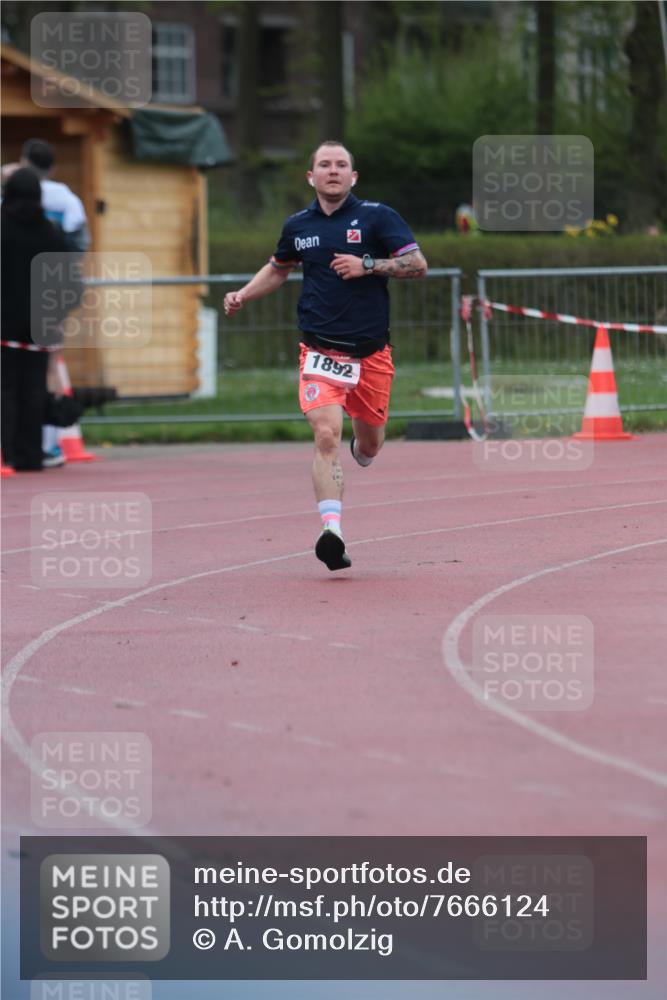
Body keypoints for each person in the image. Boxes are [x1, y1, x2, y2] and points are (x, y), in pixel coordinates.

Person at [224, 140, 427, 571]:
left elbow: (417, 264)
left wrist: (367, 265)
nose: (332, 171)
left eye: (341, 165)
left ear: (353, 177)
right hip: (319, 350)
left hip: (371, 354)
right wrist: (243, 294)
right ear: (311, 177)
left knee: (368, 444)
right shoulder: (298, 225)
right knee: (325, 435)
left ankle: (364, 446)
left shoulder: (377, 216)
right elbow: (278, 268)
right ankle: (331, 532)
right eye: (324, 165)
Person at [1, 169, 76, 471]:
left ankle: (5, 454)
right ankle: (31, 455)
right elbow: (69, 282)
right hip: (39, 326)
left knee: (4, 389)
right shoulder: (50, 233)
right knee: (34, 390)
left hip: (3, 325)